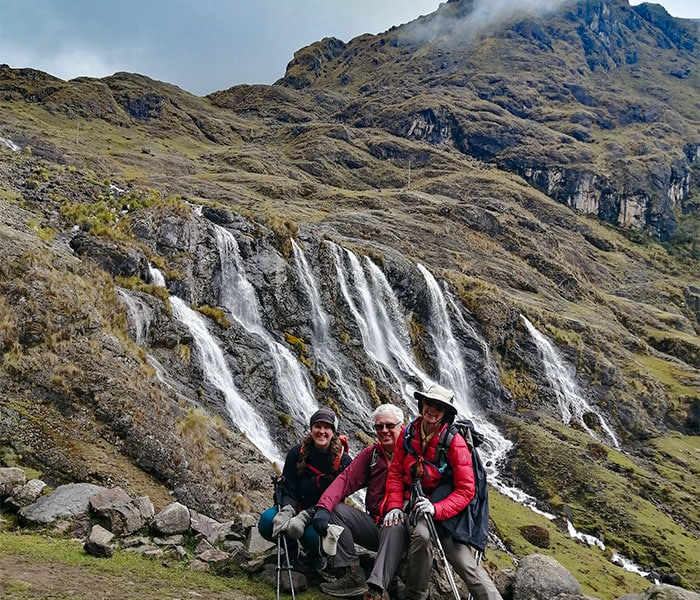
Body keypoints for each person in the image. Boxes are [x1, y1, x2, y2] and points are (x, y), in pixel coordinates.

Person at [380, 384, 502, 600]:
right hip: (419, 506)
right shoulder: (408, 434)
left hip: (448, 513)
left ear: (446, 413)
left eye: (439, 407)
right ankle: (416, 595)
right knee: (421, 534)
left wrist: (437, 509)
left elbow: (466, 490)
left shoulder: (454, 442)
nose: (432, 409)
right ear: (422, 404)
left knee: (465, 565)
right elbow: (396, 473)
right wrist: (395, 507)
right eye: (429, 403)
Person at [311, 404, 406, 598]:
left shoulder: (413, 453)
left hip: (406, 530)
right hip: (376, 525)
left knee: (393, 522)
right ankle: (352, 574)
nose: (384, 431)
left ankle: (377, 590)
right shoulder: (372, 455)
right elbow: (344, 481)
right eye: (379, 427)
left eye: (389, 425)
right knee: (336, 510)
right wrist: (323, 507)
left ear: (401, 426)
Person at [258, 407, 352, 572]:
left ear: (334, 432)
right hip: (295, 505)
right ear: (311, 429)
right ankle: (291, 550)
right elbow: (289, 487)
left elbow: (336, 499)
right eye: (317, 426)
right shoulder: (297, 453)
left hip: (324, 514)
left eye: (327, 427)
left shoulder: (344, 462)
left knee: (312, 536)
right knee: (267, 521)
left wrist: (305, 517)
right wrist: (287, 510)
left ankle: (316, 556)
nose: (321, 431)